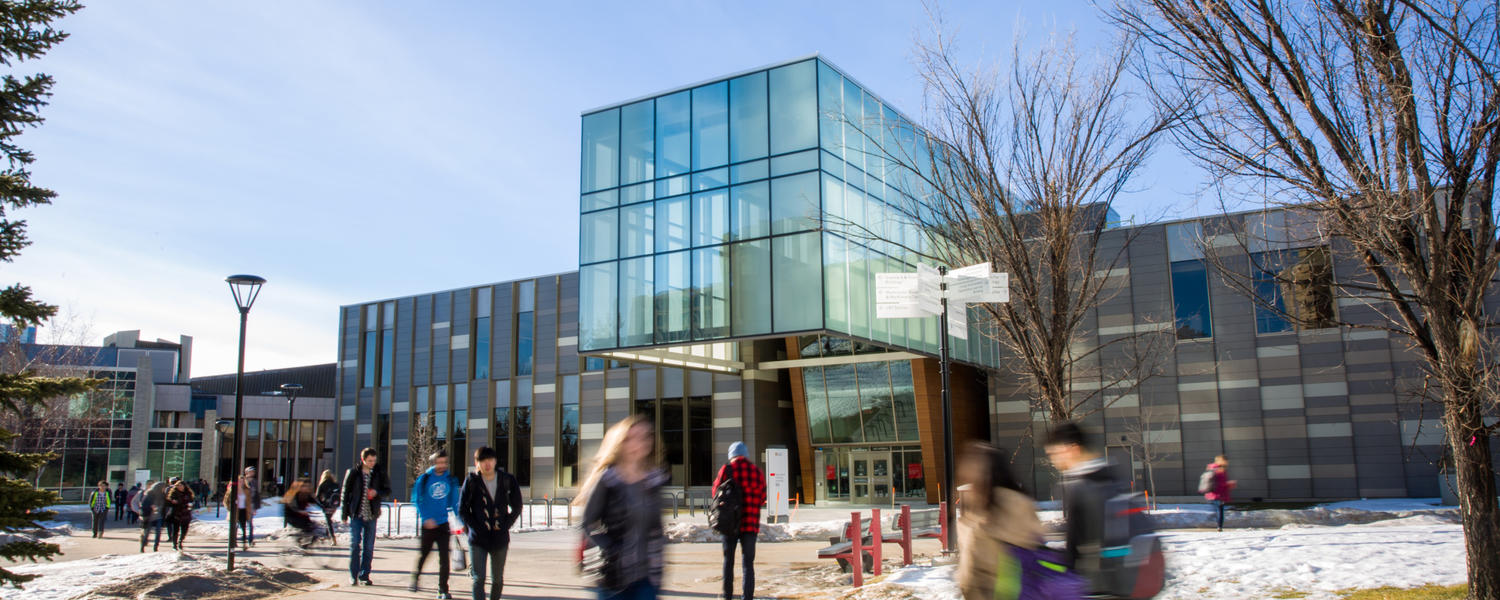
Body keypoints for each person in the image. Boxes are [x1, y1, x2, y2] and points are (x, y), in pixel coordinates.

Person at [576, 415, 668, 600]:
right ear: (620, 443)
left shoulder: (654, 480)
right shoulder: (608, 480)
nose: (639, 443)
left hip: (646, 579)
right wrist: (611, 550)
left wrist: (657, 572)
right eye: (631, 438)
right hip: (614, 578)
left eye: (644, 436)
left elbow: (657, 528)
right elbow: (588, 523)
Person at [956, 443, 1058, 600]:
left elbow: (971, 574)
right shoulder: (1022, 501)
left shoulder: (984, 509)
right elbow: (1038, 544)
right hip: (1028, 591)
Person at [1044, 422, 1123, 593]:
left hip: (1096, 585)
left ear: (1071, 448)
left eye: (1054, 453)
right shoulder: (1110, 476)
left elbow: (1074, 550)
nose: (1053, 460)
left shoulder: (1079, 486)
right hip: (1123, 581)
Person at [459, 445, 523, 600]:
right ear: (477, 463)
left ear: (495, 461)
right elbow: (462, 509)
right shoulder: (472, 481)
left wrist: (506, 523)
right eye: (483, 460)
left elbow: (517, 505)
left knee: (497, 579)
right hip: (478, 539)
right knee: (478, 578)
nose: (487, 463)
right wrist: (474, 527)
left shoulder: (507, 480)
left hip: (500, 538)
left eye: (490, 459)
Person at [710, 442, 766, 600]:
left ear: (731, 455)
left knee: (728, 562)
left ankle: (727, 596)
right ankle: (747, 597)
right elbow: (762, 498)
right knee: (748, 564)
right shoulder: (757, 472)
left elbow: (716, 492)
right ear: (746, 454)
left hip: (729, 523)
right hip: (750, 525)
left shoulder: (726, 470)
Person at [410, 449, 463, 598]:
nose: (442, 465)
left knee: (444, 558)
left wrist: (460, 521)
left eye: (444, 462)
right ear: (434, 463)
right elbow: (416, 499)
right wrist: (426, 518)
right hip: (428, 525)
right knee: (424, 554)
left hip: (443, 524)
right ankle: (415, 577)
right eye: (439, 462)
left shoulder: (450, 479)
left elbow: (454, 503)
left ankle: (443, 589)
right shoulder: (424, 478)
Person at [341, 447, 391, 586]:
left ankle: (364, 575)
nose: (372, 463)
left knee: (368, 547)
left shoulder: (379, 473)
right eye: (369, 460)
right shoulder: (353, 473)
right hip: (356, 514)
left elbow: (387, 490)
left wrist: (377, 492)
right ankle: (353, 575)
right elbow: (345, 493)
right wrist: (344, 513)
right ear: (363, 460)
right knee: (355, 544)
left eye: (374, 460)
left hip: (371, 515)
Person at [224, 471, 261, 548]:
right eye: (239, 481)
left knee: (244, 527)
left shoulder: (247, 490)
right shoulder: (232, 490)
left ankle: (245, 543)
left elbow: (250, 500)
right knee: (235, 527)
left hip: (244, 510)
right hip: (235, 511)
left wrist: (252, 509)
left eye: (242, 481)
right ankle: (233, 541)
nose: (241, 482)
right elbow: (225, 501)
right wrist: (230, 508)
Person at [1202, 455, 1236, 532]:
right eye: (1225, 460)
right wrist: (1229, 484)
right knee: (1220, 511)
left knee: (1218, 510)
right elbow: (1221, 483)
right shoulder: (1220, 470)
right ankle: (1219, 526)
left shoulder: (1212, 468)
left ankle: (1217, 525)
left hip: (1212, 493)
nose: (1227, 462)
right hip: (1218, 494)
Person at [165, 478, 195, 550]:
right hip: (176, 514)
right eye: (178, 485)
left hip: (185, 514)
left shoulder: (188, 494)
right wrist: (172, 502)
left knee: (184, 530)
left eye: (181, 485)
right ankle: (175, 544)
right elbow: (168, 502)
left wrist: (191, 505)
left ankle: (180, 541)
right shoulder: (174, 493)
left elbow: (192, 502)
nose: (179, 487)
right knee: (176, 530)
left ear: (184, 486)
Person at [139, 479, 168, 552]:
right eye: (163, 487)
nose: (164, 489)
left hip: (159, 517)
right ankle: (142, 546)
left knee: (158, 533)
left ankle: (156, 547)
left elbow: (166, 506)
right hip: (149, 516)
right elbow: (143, 505)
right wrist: (150, 506)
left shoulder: (163, 496)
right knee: (146, 533)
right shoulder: (150, 494)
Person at [316, 469, 342, 544]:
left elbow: (317, 496)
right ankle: (327, 535)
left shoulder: (323, 484)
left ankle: (333, 538)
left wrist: (322, 503)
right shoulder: (335, 483)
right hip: (334, 505)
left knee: (328, 521)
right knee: (329, 519)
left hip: (327, 505)